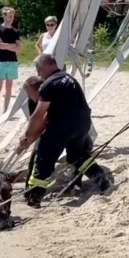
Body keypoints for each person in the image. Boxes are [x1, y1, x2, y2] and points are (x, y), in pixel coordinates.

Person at [15, 54, 111, 208]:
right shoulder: (68, 78)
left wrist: (25, 138)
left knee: (44, 158)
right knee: (78, 156)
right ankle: (102, 180)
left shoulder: (48, 85)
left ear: (47, 65)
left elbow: (39, 116)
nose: (39, 73)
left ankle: (35, 197)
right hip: (83, 123)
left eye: (39, 69)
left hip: (62, 126)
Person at [0, 7, 22, 119]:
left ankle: (5, 112)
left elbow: (19, 49)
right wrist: (12, 46)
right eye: (9, 16)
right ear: (4, 16)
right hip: (1, 61)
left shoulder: (15, 31)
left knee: (9, 87)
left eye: (12, 16)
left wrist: (6, 46)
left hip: (13, 62)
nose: (11, 18)